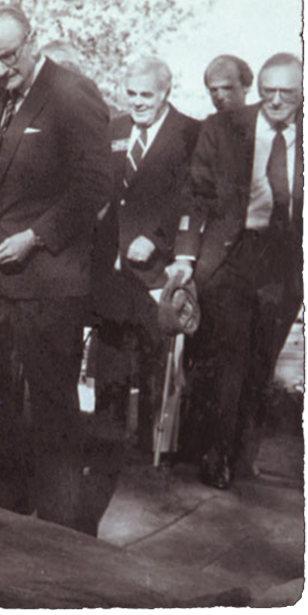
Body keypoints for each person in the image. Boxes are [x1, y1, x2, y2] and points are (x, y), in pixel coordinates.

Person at [0, 5, 110, 533]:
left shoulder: (71, 93)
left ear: (32, 41)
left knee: (53, 407)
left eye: (8, 56)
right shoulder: (1, 96)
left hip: (47, 278)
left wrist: (34, 239)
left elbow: (94, 188)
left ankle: (60, 532)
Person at [167, 53, 303, 490]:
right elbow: (195, 197)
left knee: (262, 360)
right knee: (229, 356)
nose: (277, 101)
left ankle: (242, 451)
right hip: (232, 254)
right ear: (258, 89)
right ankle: (217, 454)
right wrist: (186, 257)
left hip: (286, 260)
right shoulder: (223, 129)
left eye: (288, 92)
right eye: (269, 91)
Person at [91, 57, 200, 441]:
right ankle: (107, 437)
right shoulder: (114, 128)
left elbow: (192, 201)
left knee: (154, 358)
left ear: (165, 93)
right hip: (113, 264)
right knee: (110, 356)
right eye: (131, 93)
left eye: (146, 95)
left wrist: (158, 240)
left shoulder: (190, 133)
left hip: (155, 266)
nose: (137, 102)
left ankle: (152, 449)